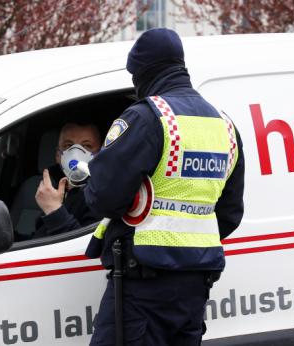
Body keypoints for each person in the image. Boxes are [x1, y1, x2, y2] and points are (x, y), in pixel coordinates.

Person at [84, 28, 245, 345]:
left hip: (144, 287)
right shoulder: (225, 125)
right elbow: (228, 214)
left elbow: (103, 197)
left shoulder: (148, 118)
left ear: (141, 72)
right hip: (195, 288)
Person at [15, 119, 103, 241]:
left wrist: (54, 210)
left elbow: (86, 252)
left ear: (99, 154)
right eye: (68, 145)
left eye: (86, 146)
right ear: (58, 155)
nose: (75, 154)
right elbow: (40, 240)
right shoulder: (54, 189)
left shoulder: (102, 197)